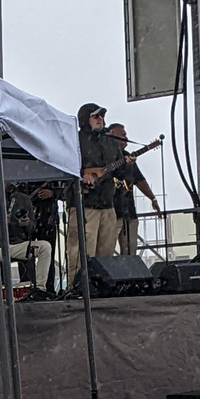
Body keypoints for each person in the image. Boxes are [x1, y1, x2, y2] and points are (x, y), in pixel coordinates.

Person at [68, 104, 125, 281]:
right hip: (84, 206)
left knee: (106, 255)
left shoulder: (110, 142)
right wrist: (82, 175)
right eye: (95, 116)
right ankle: (76, 289)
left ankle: (102, 290)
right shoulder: (74, 141)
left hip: (108, 204)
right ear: (85, 120)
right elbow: (64, 167)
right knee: (81, 254)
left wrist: (127, 163)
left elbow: (121, 173)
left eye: (101, 115)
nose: (100, 118)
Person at [105, 123, 159, 256]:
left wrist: (153, 198)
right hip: (109, 211)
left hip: (128, 211)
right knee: (106, 251)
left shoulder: (127, 156)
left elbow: (139, 180)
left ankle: (128, 277)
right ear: (112, 135)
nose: (126, 137)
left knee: (130, 252)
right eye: (123, 134)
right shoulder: (104, 156)